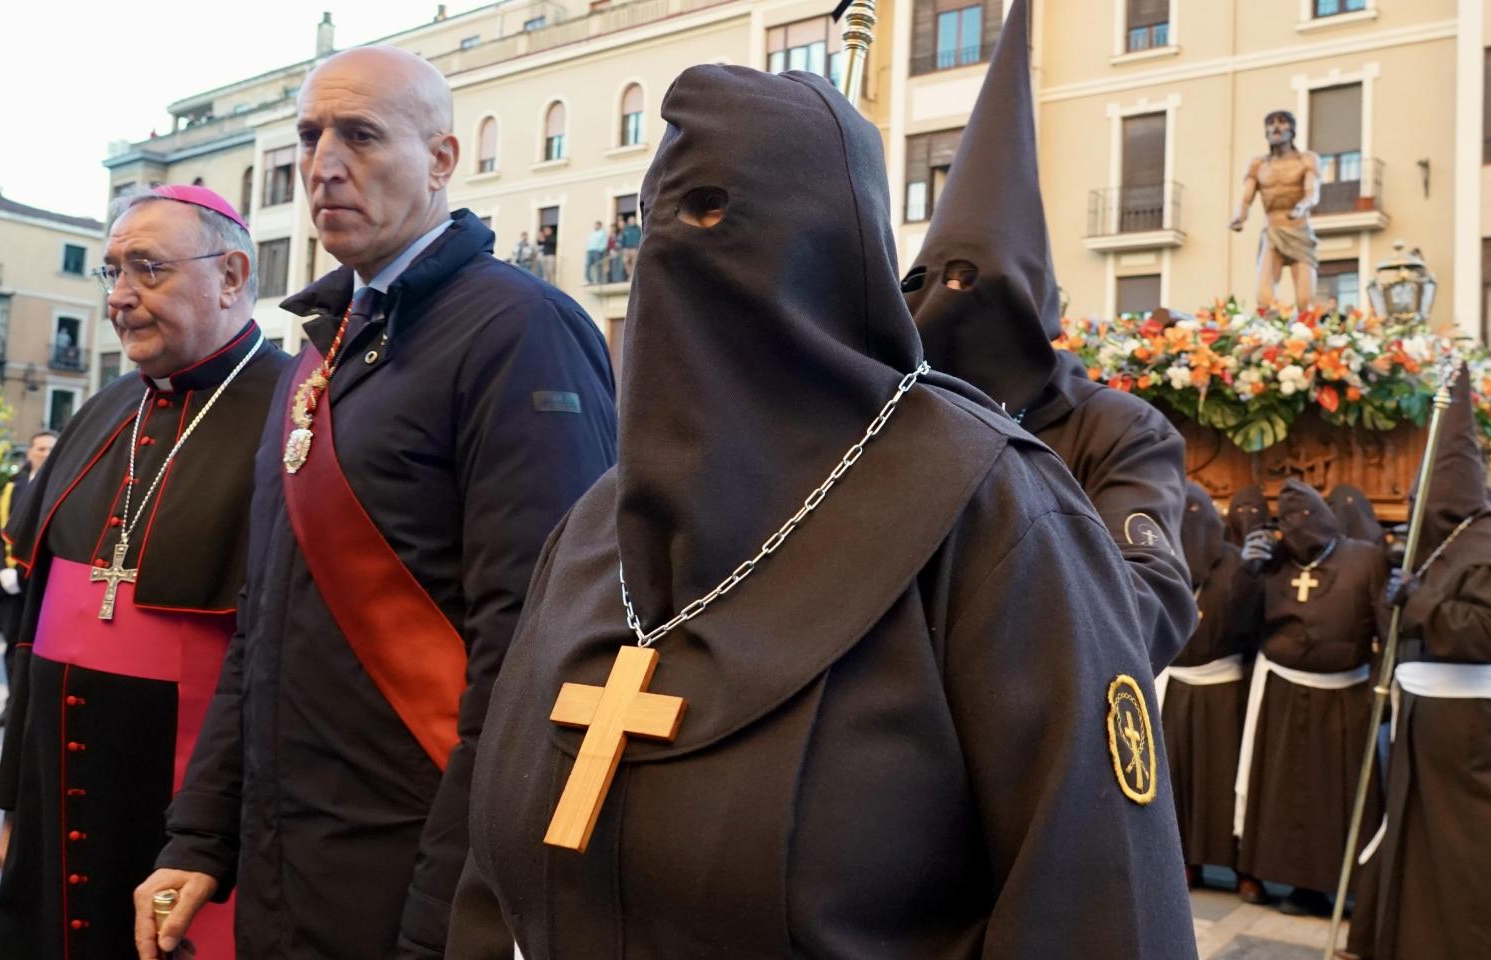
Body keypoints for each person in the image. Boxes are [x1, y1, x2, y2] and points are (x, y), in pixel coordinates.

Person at [447, 63, 1196, 959]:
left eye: (719, 212)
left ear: (838, 249)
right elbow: (494, 887)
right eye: (663, 218)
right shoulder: (595, 529)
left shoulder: (1000, 518)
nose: (678, 251)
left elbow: (1095, 910)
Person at [137, 46, 617, 960]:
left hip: (414, 874)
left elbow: (534, 650)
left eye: (359, 135)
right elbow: (262, 624)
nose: (323, 164)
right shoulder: (318, 352)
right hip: (290, 863)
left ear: (442, 160)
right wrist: (198, 838)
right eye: (310, 137)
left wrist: (452, 913)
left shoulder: (522, 331)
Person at [0, 184, 292, 959]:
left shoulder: (299, 408)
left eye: (147, 269)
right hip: (54, 796)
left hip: (194, 802)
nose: (119, 298)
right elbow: (29, 633)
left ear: (230, 275)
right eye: (112, 271)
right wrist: (14, 803)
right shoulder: (105, 408)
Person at [901, 0, 1193, 673]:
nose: (947, 297)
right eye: (926, 282)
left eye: (974, 279)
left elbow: (1151, 599)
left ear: (1030, 301)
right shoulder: (894, 416)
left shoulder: (1121, 432)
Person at [1352, 368, 1491, 959]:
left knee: (1481, 865)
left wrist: (1416, 600)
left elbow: (1485, 636)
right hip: (1449, 729)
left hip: (1480, 741)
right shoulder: (1456, 544)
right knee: (1436, 856)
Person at [1235, 479, 1386, 915]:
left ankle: (1352, 885)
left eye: (1307, 516)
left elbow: (1384, 627)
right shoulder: (1274, 561)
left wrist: (1382, 687)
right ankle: (1298, 885)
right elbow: (1243, 624)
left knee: (1336, 797)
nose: (1299, 528)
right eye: (1289, 521)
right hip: (1281, 693)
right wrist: (1248, 572)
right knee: (1287, 795)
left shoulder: (1364, 558)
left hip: (1344, 696)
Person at [1161, 482, 1262, 893]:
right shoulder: (1165, 561)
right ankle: (1184, 860)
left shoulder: (1237, 565)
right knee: (1178, 779)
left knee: (1224, 781)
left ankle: (1242, 866)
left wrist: (1253, 580)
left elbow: (1251, 626)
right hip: (1178, 685)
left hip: (1224, 689)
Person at [0, 431, 56, 728]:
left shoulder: (63, 485)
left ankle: (33, 707)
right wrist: (4, 568)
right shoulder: (12, 488)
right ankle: (12, 703)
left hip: (44, 581)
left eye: (50, 449)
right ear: (29, 452)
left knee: (41, 646)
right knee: (12, 644)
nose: (44, 453)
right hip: (11, 579)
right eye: (39, 448)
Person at [1230, 109, 1321, 312]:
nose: (1275, 127)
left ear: (1292, 130)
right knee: (1264, 300)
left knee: (1306, 302)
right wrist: (1239, 217)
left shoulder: (1306, 160)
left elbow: (1312, 193)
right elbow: (1246, 199)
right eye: (1271, 123)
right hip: (1272, 231)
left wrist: (1302, 207)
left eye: (1281, 122)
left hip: (1299, 229)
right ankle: (1271, 337)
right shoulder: (1258, 165)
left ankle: (1305, 338)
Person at [619, 211, 641, 278]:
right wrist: (622, 248)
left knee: (634, 263)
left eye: (633, 220)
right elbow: (623, 239)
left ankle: (632, 277)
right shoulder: (625, 228)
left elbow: (641, 237)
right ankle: (629, 273)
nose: (632, 222)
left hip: (635, 249)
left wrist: (639, 247)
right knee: (625, 262)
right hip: (626, 249)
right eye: (631, 221)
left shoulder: (638, 229)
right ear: (628, 221)